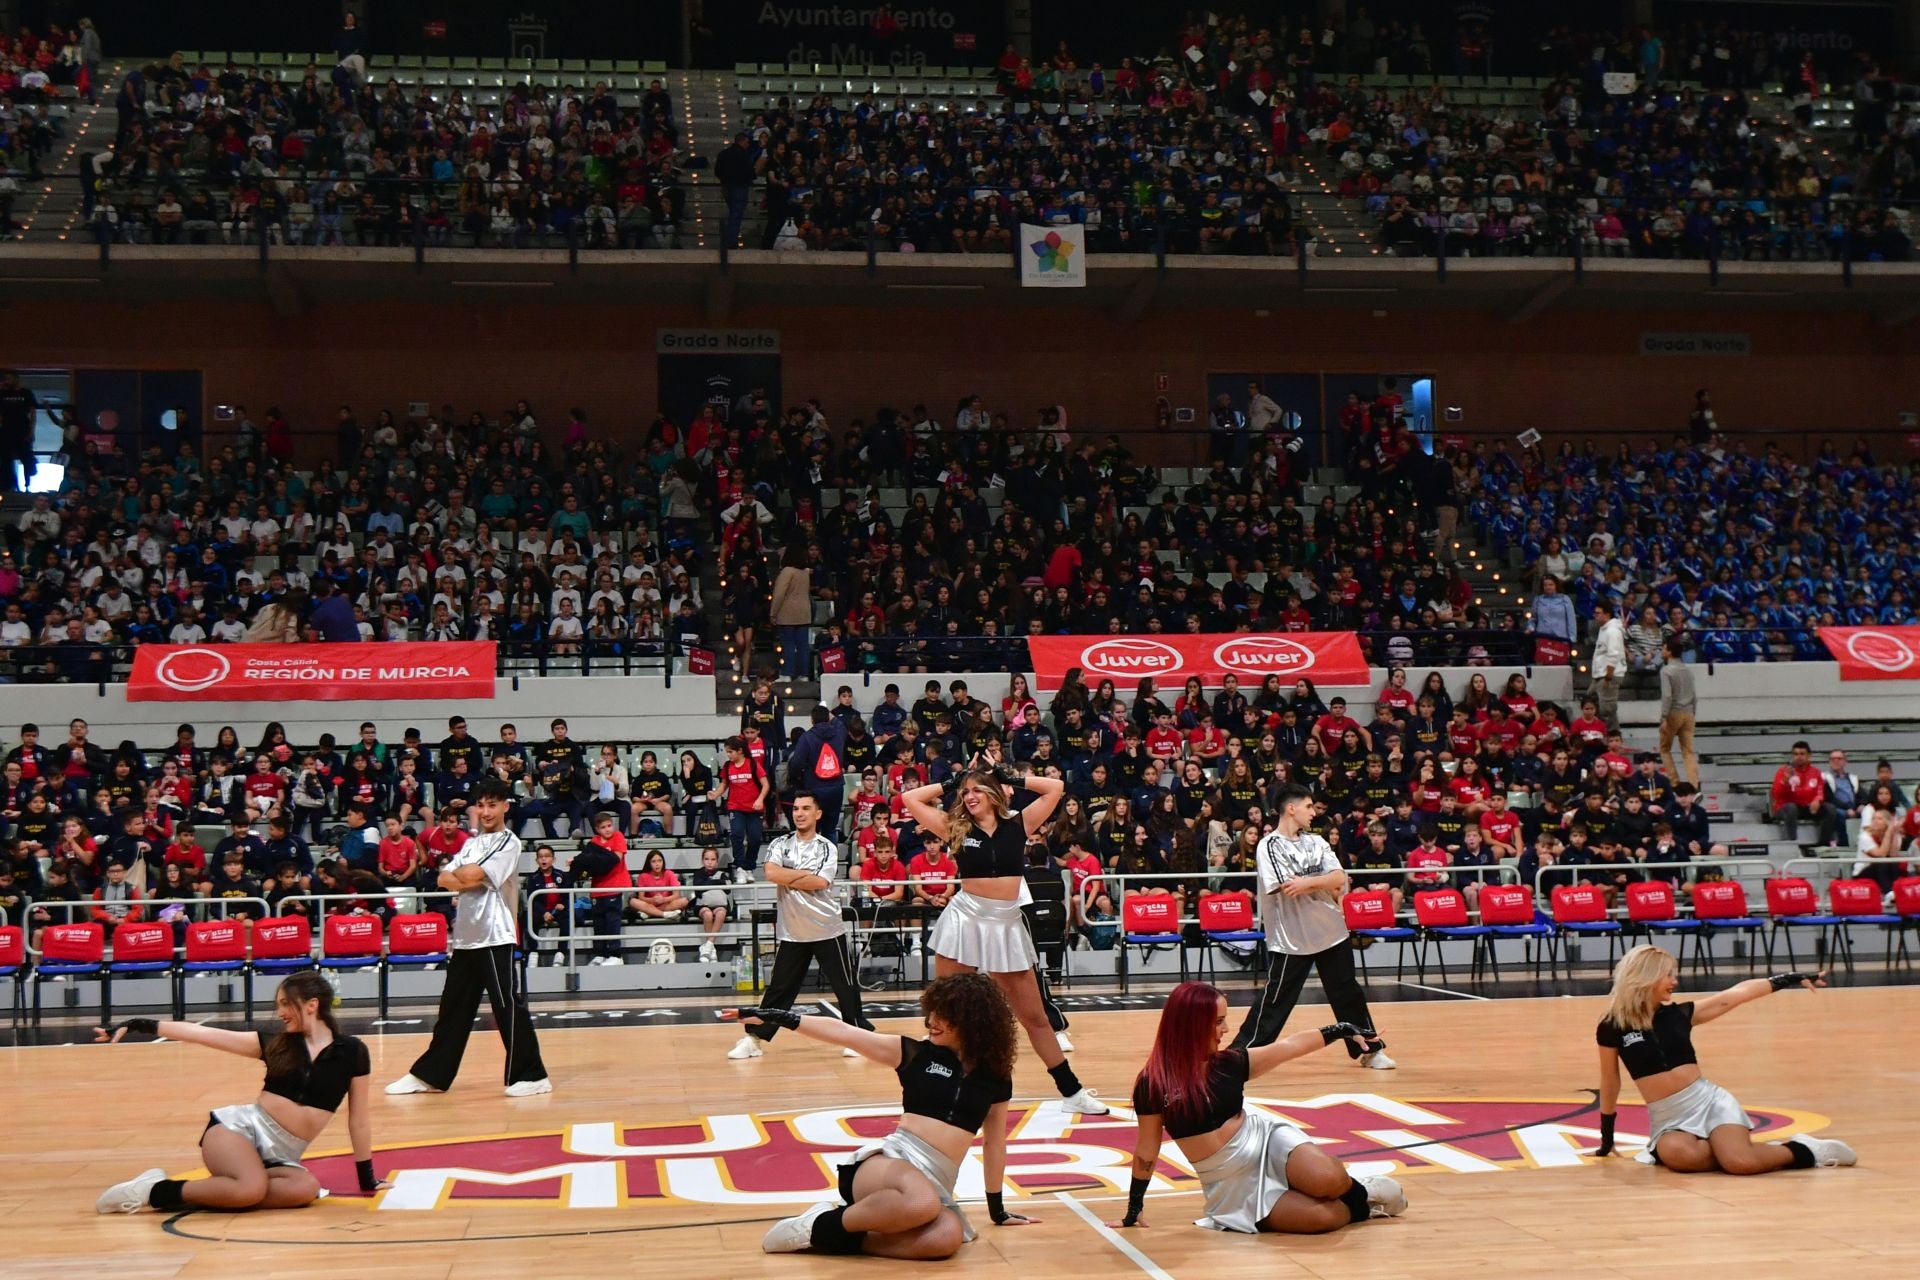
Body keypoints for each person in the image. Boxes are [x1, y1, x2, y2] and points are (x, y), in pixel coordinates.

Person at [738, 973, 1034, 1258]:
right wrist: (779, 1016)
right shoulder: (915, 1053)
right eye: (932, 1012)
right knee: (921, 1202)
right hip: (888, 1164)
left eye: (945, 1015)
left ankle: (845, 1240)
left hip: (937, 1182)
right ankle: (814, 1227)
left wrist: (998, 1210)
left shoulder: (995, 1076)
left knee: (945, 1237)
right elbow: (844, 1033)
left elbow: (994, 1144)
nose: (932, 1021)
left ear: (974, 1021)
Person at [901, 747, 1106, 1114]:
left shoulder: (1019, 824)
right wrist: (954, 779)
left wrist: (1006, 774)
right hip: (964, 921)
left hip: (1006, 924)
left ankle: (1072, 1092)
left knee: (1035, 1018)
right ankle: (936, 1090)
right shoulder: (955, 827)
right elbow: (909, 797)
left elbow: (1055, 787)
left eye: (978, 789)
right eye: (965, 792)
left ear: (994, 793)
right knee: (946, 1013)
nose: (970, 795)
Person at [1112, 981, 1404, 1234]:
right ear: (1190, 1024)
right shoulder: (1153, 1082)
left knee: (1328, 1178)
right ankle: (1364, 1205)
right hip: (1230, 1184)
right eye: (1217, 1021)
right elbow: (1147, 1151)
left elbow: (1290, 1046)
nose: (1226, 1030)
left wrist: (1340, 1029)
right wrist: (1134, 1206)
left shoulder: (1230, 1063)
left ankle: (1359, 1190)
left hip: (1265, 1143)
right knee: (1322, 1218)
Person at [94, 971, 385, 1213]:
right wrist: (137, 1025)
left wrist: (367, 1178)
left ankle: (222, 1193)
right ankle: (154, 1190)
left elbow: (358, 1120)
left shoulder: (353, 1051)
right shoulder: (273, 1043)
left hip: (283, 1156)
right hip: (238, 1132)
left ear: (312, 1004)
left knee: (305, 1189)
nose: (280, 1012)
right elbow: (202, 1034)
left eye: (286, 1004)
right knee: (250, 1189)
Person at [1593, 946, 1855, 1173]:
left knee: (1741, 1163)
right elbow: (1610, 1080)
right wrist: (1607, 1135)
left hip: (1709, 1103)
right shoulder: (1612, 1026)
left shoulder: (1680, 1014)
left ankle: (1804, 1150)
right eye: (1668, 975)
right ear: (1645, 977)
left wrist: (1790, 978)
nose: (1675, 981)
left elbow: (1737, 994)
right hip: (1668, 1117)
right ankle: (1733, 1149)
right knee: (1679, 1156)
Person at [386, 778, 551, 1096]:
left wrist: (460, 876)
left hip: (495, 936)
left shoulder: (509, 842)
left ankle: (532, 1075)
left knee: (506, 1007)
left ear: (505, 806)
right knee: (453, 1011)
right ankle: (431, 1075)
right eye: (482, 805)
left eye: (493, 804)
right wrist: (460, 877)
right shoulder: (472, 843)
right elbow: (443, 877)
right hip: (465, 938)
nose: (487, 811)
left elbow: (469, 876)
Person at [1232, 782, 1394, 1068]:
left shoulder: (1317, 841)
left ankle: (1369, 1049)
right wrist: (1318, 881)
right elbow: (1284, 887)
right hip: (1291, 937)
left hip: (1331, 930)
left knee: (1347, 993)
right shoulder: (1269, 845)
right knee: (1276, 1000)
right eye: (1308, 806)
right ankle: (1241, 1055)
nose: (1313, 813)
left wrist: (1307, 882)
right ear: (1291, 809)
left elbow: (1338, 878)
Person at [726, 792, 871, 1061]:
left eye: (806, 808)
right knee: (779, 990)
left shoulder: (826, 846)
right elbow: (771, 873)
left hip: (827, 928)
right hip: (792, 931)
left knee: (845, 987)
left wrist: (789, 876)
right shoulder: (780, 844)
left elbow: (820, 883)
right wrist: (803, 876)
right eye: (796, 809)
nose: (800, 813)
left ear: (818, 814)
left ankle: (857, 1037)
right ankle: (753, 1039)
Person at [1657, 637, 1698, 787]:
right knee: (1688, 751)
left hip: (1673, 712)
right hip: (1689, 713)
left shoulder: (1666, 670)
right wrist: (1693, 713)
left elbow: (1667, 695)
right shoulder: (1687, 670)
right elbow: (1694, 695)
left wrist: (1663, 717)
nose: (1662, 650)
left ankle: (1675, 783)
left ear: (1669, 651)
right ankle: (1694, 784)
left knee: (1664, 749)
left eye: (1663, 648)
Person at [1590, 601, 1626, 728]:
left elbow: (1613, 655)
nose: (1595, 615)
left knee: (1607, 710)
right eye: (1595, 613)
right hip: (1600, 675)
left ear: (1607, 614)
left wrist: (1608, 677)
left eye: (1598, 613)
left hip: (1608, 675)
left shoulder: (1612, 631)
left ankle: (1613, 736)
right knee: (1590, 700)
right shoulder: (1604, 629)